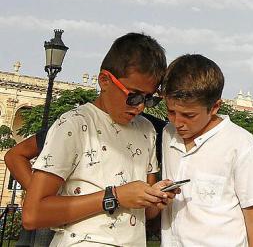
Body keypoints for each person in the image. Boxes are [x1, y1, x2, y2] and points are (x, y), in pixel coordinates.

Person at [22, 32, 175, 246]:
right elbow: (33, 214)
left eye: (149, 99)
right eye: (134, 96)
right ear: (105, 80)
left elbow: (146, 213)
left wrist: (157, 199)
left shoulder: (146, 130)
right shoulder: (74, 124)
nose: (140, 106)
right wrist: (114, 196)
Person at [160, 54, 253, 247]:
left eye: (189, 115)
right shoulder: (168, 134)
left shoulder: (240, 143)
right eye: (171, 112)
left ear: (214, 107)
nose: (177, 122)